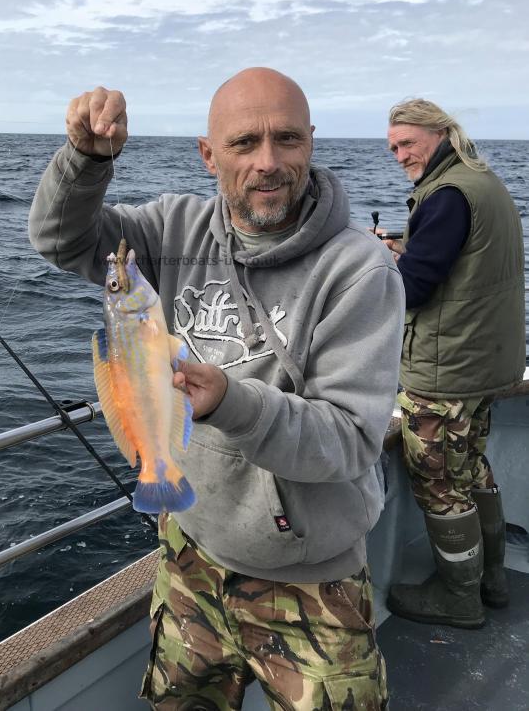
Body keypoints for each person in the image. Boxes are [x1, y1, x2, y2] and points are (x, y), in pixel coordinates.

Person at [29, 68, 405, 710]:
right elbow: (64, 242)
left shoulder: (357, 269)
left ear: (311, 143)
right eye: (243, 143)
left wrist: (231, 402)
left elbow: (348, 441)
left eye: (287, 139)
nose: (269, 162)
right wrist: (85, 163)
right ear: (208, 154)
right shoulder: (169, 232)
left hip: (313, 582)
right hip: (190, 557)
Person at [383, 98, 525, 630]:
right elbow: (464, 262)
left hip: (446, 371)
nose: (400, 155)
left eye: (407, 143)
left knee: (440, 482)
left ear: (440, 131)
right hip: (487, 363)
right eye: (393, 147)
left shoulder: (444, 196)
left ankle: (458, 597)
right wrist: (405, 247)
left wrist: (377, 270)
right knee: (471, 469)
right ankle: (493, 579)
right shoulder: (480, 181)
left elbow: (414, 289)